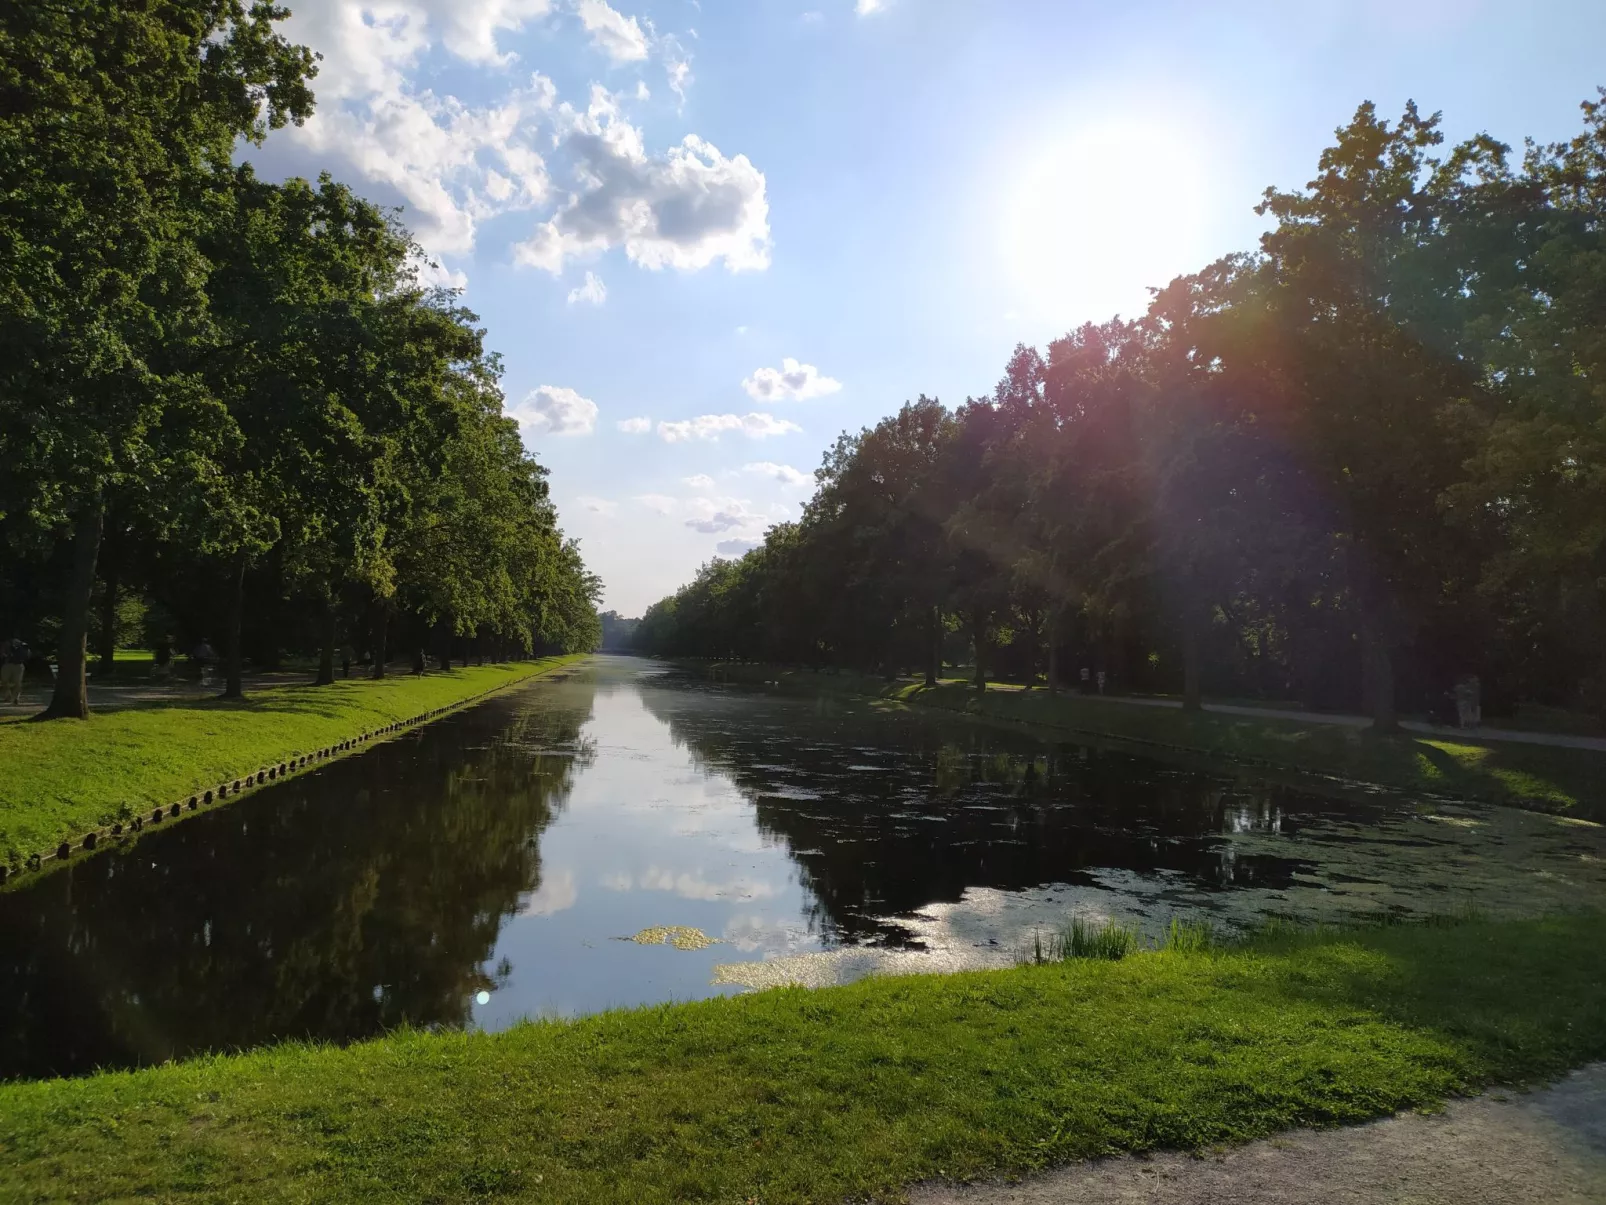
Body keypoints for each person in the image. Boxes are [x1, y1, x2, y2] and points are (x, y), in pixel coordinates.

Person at [1, 637, 30, 705]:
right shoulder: (6, 645)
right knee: (4, 681)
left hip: (18, 665)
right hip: (7, 664)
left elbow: (27, 655)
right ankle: (8, 696)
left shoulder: (24, 646)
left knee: (17, 682)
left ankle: (16, 698)